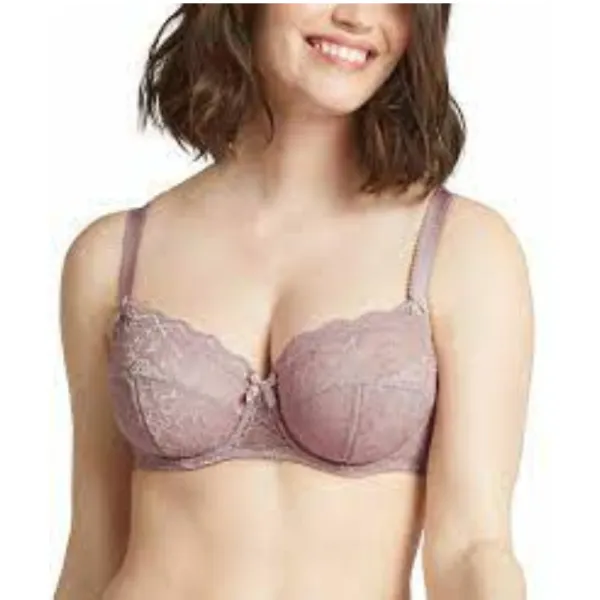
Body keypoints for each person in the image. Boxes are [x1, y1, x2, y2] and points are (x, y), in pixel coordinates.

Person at [54, 4, 533, 600]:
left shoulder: (462, 248)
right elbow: (93, 549)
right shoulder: (111, 257)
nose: (357, 16)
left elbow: (471, 546)